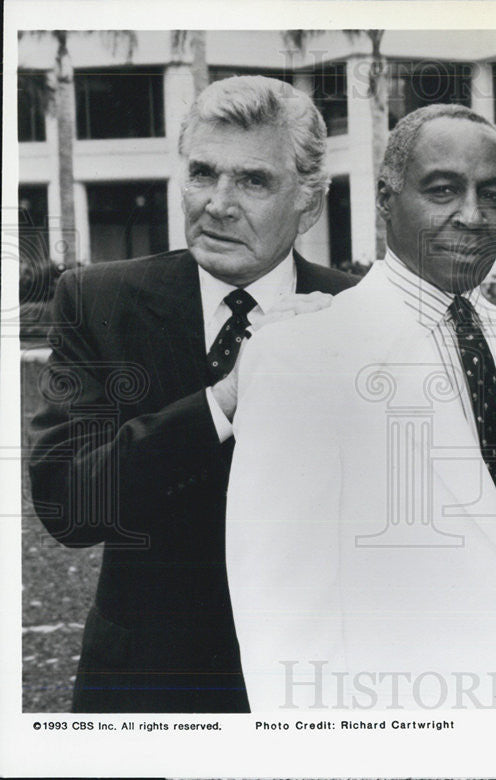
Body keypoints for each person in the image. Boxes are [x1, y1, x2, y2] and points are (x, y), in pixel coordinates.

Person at [225, 104, 496, 710]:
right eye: (443, 190)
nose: (472, 217)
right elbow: (279, 620)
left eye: (492, 196)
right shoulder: (301, 356)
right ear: (387, 200)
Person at [28, 76, 356, 713]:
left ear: (310, 204)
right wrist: (225, 399)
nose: (218, 204)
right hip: (149, 690)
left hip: (315, 692)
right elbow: (69, 504)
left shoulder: (358, 315)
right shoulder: (99, 301)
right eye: (203, 173)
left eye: (253, 181)